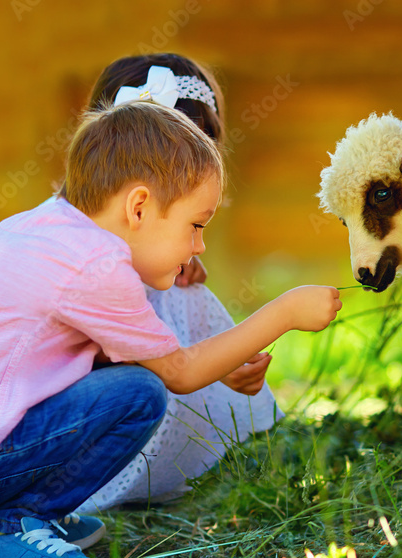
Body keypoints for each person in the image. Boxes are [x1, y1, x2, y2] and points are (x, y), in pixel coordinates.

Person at [0, 100, 342, 558]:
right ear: (138, 207)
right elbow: (178, 373)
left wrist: (222, 365)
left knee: (129, 380)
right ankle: (7, 530)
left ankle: (22, 512)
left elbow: (118, 352)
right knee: (140, 395)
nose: (199, 246)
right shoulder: (95, 266)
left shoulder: (55, 230)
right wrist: (284, 312)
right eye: (196, 226)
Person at [66, 54, 285, 511]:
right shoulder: (83, 257)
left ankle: (188, 454)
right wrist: (264, 329)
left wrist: (170, 263)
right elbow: (108, 351)